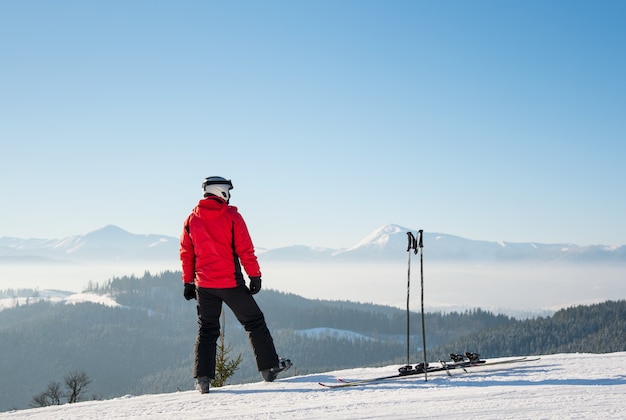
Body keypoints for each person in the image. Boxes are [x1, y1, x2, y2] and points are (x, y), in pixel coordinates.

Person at [180, 176, 291, 394]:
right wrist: (255, 276)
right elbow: (245, 250)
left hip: (205, 286)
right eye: (228, 190)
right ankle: (269, 368)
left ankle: (203, 380)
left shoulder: (191, 220)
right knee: (254, 322)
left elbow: (186, 254)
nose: (229, 195)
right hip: (231, 283)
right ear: (221, 191)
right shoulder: (232, 216)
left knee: (207, 330)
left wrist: (188, 282)